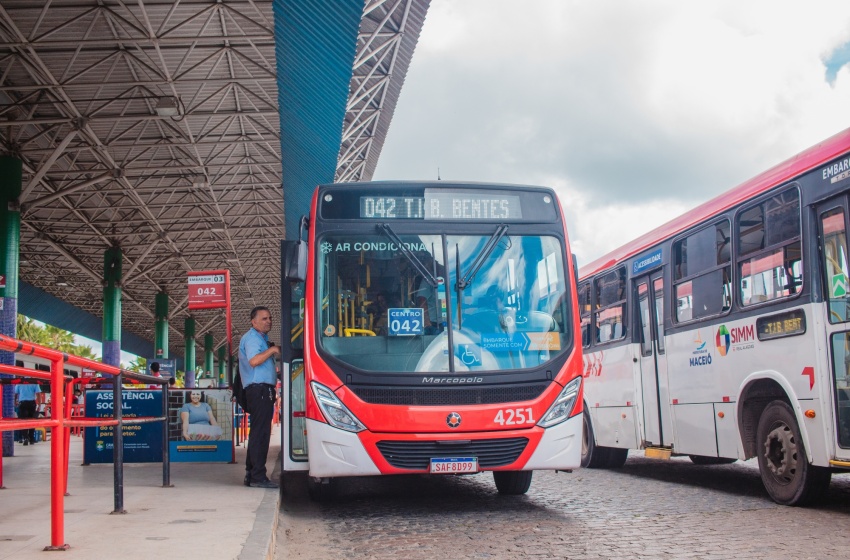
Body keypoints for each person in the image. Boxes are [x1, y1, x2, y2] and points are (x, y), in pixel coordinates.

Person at [238, 306, 280, 488]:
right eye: (264, 318)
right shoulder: (253, 338)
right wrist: (273, 350)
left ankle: (251, 473)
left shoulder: (262, 339)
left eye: (269, 318)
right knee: (260, 434)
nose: (268, 321)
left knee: (258, 432)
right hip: (258, 390)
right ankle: (258, 477)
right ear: (253, 321)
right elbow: (254, 361)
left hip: (263, 390)